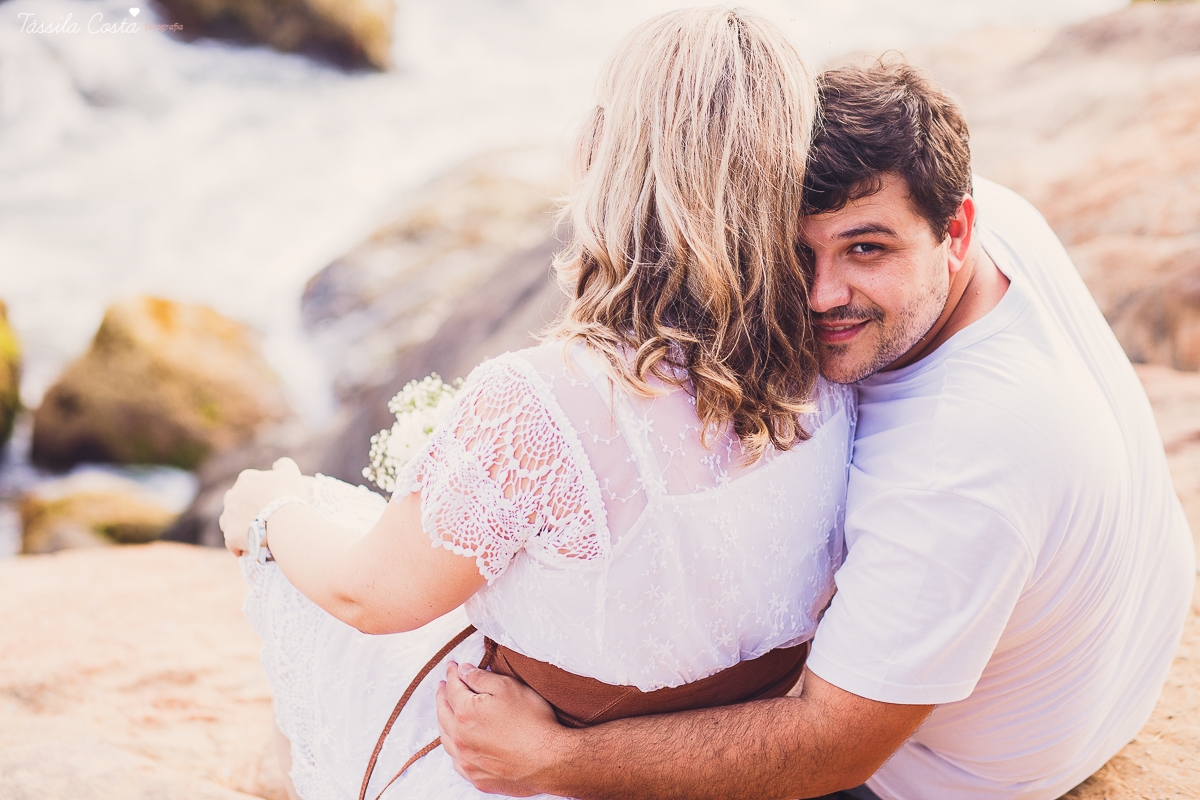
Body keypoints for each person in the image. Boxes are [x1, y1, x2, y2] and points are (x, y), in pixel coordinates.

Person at [434, 62, 1197, 800]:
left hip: (946, 778)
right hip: (1113, 674)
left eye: (866, 249)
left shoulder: (954, 468)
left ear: (956, 230)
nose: (824, 295)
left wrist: (556, 758)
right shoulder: (992, 219)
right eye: (797, 254)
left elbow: (835, 744)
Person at [219, 9, 857, 800]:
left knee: (309, 521)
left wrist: (268, 511)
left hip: (541, 768)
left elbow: (368, 596)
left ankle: (277, 779)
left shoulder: (544, 401)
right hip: (721, 753)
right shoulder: (840, 368)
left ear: (611, 155)